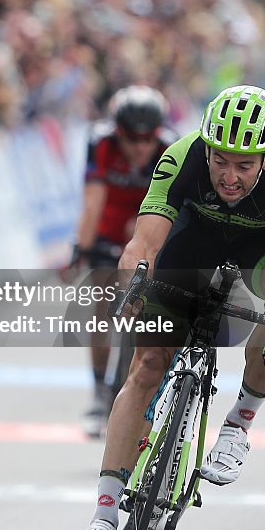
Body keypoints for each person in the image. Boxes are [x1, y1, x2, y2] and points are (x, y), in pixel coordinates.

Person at [80, 85, 265, 530]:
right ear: (207, 147)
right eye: (220, 160)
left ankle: (238, 423)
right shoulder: (182, 155)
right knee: (146, 364)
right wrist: (133, 286)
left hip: (262, 252)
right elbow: (144, 243)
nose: (229, 176)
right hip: (195, 241)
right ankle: (105, 514)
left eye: (244, 166)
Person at [69, 86, 175, 438]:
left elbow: (176, 211)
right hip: (110, 221)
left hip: (149, 219)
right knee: (102, 305)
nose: (141, 147)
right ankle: (100, 391)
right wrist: (81, 250)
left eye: (148, 138)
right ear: (118, 133)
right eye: (132, 139)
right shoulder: (100, 141)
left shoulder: (170, 147)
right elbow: (92, 202)